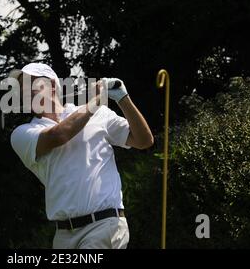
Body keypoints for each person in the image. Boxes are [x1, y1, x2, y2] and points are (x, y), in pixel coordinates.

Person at [8, 63, 154, 249]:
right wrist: (94, 103)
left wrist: (123, 99)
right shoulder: (23, 133)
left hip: (103, 226)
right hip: (63, 237)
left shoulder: (99, 114)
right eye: (21, 88)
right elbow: (59, 135)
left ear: (52, 85)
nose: (24, 91)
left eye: (31, 83)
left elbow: (143, 140)